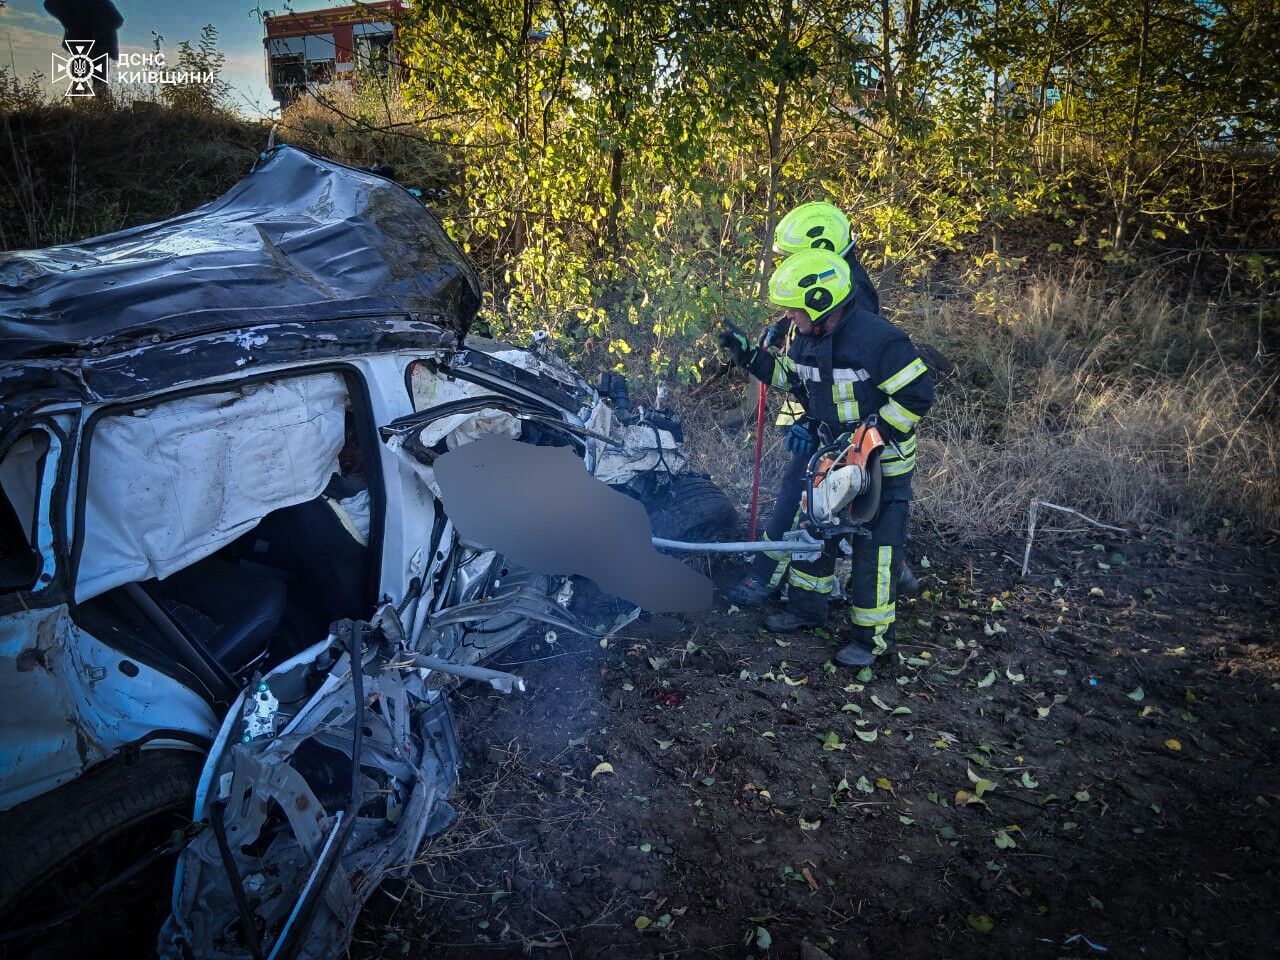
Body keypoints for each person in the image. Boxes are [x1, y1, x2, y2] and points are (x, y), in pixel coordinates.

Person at [720, 248, 933, 667]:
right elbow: (793, 380)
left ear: (822, 304)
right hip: (830, 460)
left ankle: (870, 641)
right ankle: (805, 611)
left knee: (876, 554)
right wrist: (750, 356)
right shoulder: (808, 338)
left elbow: (917, 394)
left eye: (794, 311)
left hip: (880, 469)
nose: (790, 319)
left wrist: (871, 438)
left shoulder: (879, 340)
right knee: (814, 538)